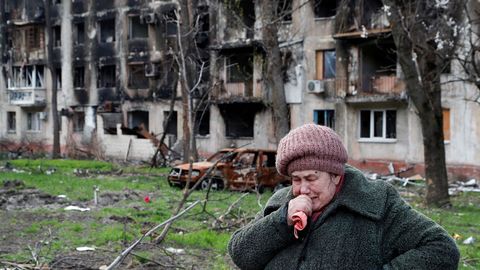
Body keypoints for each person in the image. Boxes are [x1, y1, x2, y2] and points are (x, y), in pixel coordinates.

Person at [228, 124, 459, 270]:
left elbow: (441, 249)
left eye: (311, 178)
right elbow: (241, 255)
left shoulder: (375, 202)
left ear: (336, 176)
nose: (302, 189)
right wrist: (281, 221)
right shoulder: (281, 203)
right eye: (296, 179)